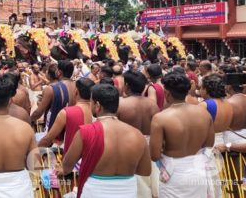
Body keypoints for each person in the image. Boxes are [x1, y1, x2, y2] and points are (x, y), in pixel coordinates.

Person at [62, 84, 151, 197]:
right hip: (128, 191)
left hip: (95, 191)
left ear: (97, 105)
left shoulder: (86, 132)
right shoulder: (137, 134)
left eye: (91, 102)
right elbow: (145, 171)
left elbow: (66, 167)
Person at [150, 72, 215, 198]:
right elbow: (209, 144)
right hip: (198, 170)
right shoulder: (204, 113)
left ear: (167, 93)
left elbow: (154, 155)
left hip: (173, 174)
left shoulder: (160, 118)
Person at [117, 70, 159, 198]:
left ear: (127, 86)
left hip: (127, 147)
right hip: (149, 146)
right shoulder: (153, 105)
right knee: (149, 180)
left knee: (135, 182)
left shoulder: (121, 104)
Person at [38, 78, 95, 148]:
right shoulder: (96, 112)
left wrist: (33, 151)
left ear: (76, 91)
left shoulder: (66, 112)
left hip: (69, 156)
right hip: (88, 156)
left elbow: (47, 140)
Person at [200, 74, 233, 142]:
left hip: (209, 142)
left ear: (205, 90)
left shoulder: (204, 105)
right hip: (225, 140)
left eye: (201, 87)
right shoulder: (229, 103)